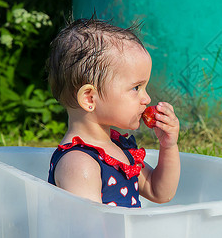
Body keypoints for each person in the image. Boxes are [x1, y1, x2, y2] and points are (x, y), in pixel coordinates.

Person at [46, 17, 180, 208]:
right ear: (90, 99)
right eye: (136, 88)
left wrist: (168, 146)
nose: (147, 99)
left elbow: (159, 192)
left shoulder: (120, 150)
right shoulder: (80, 163)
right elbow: (87, 227)